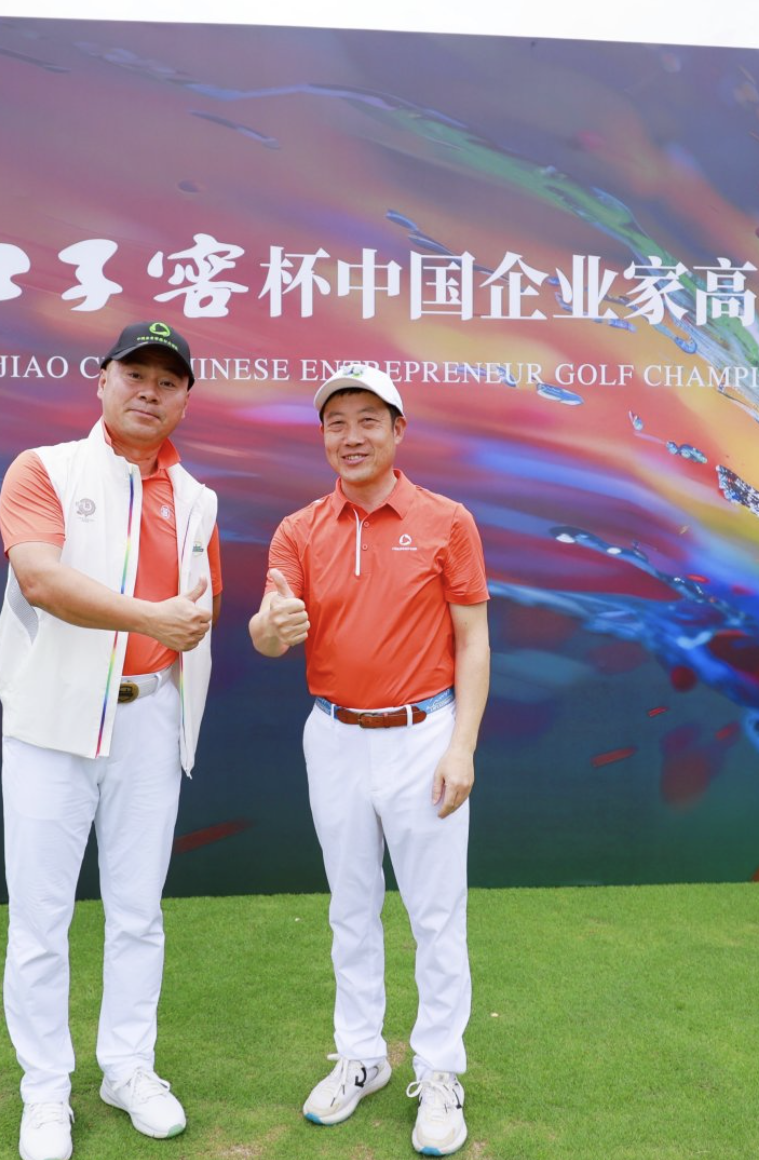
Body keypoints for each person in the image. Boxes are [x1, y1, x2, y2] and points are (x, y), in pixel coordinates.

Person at [248, 364, 490, 1157]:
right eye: (336, 423)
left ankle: (440, 1071)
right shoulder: (299, 530)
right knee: (350, 905)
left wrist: (462, 746)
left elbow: (472, 640)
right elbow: (268, 631)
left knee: (435, 913)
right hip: (334, 734)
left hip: (425, 733)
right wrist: (272, 626)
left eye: (367, 421)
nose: (350, 437)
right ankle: (361, 1056)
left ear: (397, 430)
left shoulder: (447, 521)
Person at [0, 320, 221, 1160]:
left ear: (185, 399)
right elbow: (41, 578)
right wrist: (150, 618)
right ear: (103, 380)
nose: (149, 392)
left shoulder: (197, 499)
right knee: (41, 919)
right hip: (52, 722)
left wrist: (182, 626)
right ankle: (45, 1092)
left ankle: (128, 1069)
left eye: (168, 381)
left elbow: (199, 609)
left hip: (150, 719)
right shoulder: (44, 469)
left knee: (137, 913)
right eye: (135, 374)